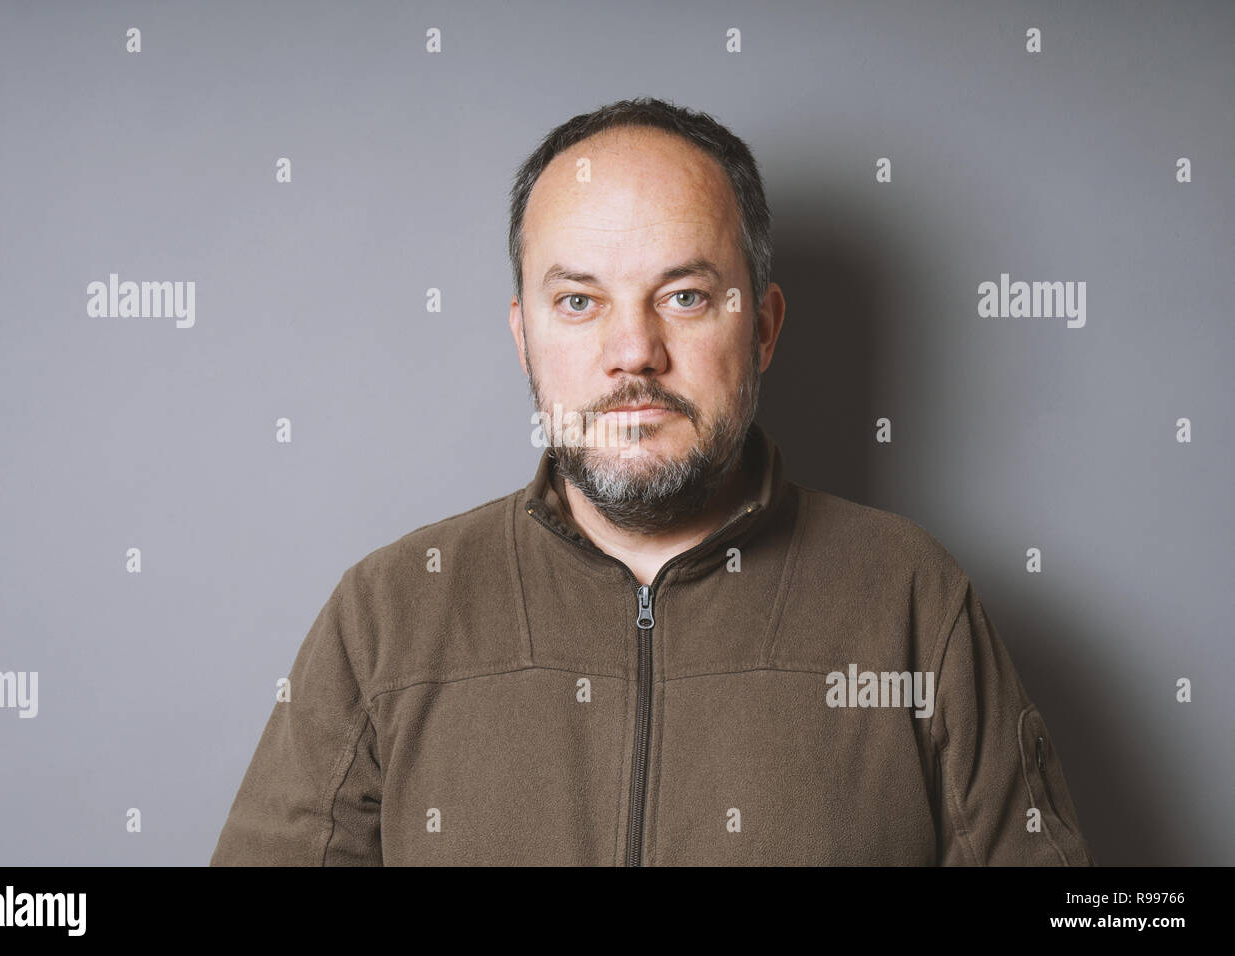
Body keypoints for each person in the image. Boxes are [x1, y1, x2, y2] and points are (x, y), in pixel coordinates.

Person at [209, 96, 1094, 866]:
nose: (633, 351)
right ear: (524, 337)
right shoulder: (388, 615)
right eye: (579, 301)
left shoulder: (912, 599)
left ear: (764, 328)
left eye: (684, 296)